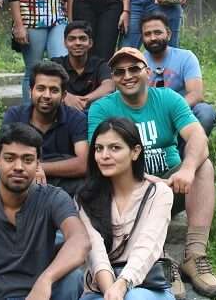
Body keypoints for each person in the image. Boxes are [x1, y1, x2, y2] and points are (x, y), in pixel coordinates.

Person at [88, 48, 216, 299]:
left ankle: (194, 254)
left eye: (134, 69)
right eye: (119, 72)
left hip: (173, 184)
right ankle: (160, 260)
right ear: (113, 78)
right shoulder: (102, 108)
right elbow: (98, 158)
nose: (127, 75)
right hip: (130, 193)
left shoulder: (169, 98)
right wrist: (149, 182)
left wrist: (187, 169)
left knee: (203, 165)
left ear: (147, 72)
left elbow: (197, 137)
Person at [0, 122, 90, 300]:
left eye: (27, 159)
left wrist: (45, 280)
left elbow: (80, 241)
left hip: (40, 296)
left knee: (73, 279)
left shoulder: (53, 199)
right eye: (10, 158)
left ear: (38, 164)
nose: (18, 167)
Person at [78, 117, 174, 300]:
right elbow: (95, 251)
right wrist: (111, 292)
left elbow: (148, 245)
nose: (104, 155)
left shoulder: (158, 193)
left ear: (135, 152)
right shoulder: (86, 198)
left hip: (147, 287)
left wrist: (122, 285)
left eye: (115, 148)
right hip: (101, 288)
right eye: (99, 148)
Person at [0, 61, 87, 197]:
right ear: (30, 91)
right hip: (22, 174)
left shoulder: (76, 118)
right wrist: (32, 168)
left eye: (54, 90)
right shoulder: (15, 115)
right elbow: (1, 157)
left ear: (63, 96)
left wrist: (39, 167)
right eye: (41, 88)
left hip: (63, 181)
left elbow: (83, 164)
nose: (47, 95)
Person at [141, 13, 216, 146]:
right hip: (149, 117)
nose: (152, 38)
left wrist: (170, 111)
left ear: (169, 34)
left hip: (182, 111)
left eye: (158, 32)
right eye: (147, 34)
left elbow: (196, 94)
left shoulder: (186, 57)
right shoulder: (137, 62)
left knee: (205, 112)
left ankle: (189, 155)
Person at [51, 20, 115, 112]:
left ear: (90, 43)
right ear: (65, 43)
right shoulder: (57, 64)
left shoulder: (99, 64)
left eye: (82, 38)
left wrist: (84, 100)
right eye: (72, 39)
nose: (77, 43)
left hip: (93, 113)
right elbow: (48, 85)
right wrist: (66, 96)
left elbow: (109, 86)